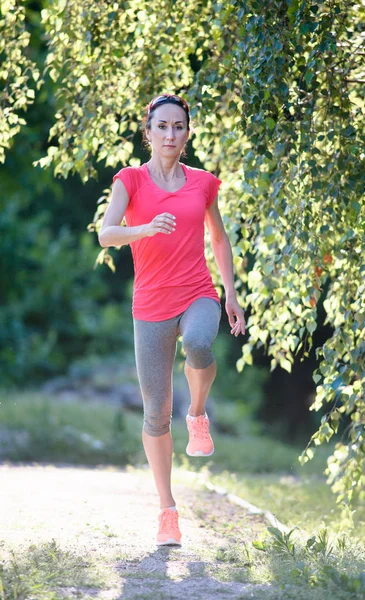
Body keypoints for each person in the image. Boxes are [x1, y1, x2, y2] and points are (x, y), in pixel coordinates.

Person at [98, 93, 246, 547]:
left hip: (197, 292)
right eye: (161, 126)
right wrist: (143, 228)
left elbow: (219, 239)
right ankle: (167, 510)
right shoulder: (130, 181)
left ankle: (198, 415)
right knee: (155, 413)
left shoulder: (202, 183)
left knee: (200, 344)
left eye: (178, 126)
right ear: (148, 132)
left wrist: (231, 294)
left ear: (188, 133)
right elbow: (106, 234)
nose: (170, 134)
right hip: (150, 305)